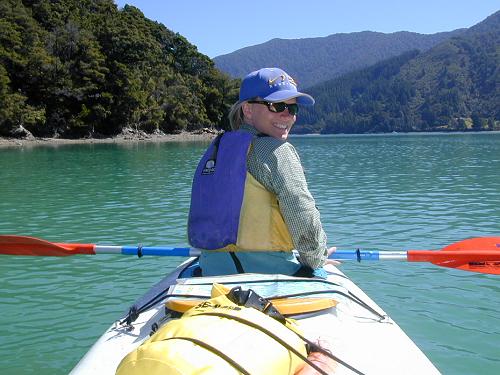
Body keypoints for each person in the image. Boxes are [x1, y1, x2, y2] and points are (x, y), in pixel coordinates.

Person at [188, 67, 336, 278]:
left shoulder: (218, 149)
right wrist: (317, 258)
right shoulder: (277, 151)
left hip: (213, 271)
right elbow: (301, 210)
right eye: (277, 106)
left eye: (292, 109)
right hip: (270, 274)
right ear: (248, 110)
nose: (287, 115)